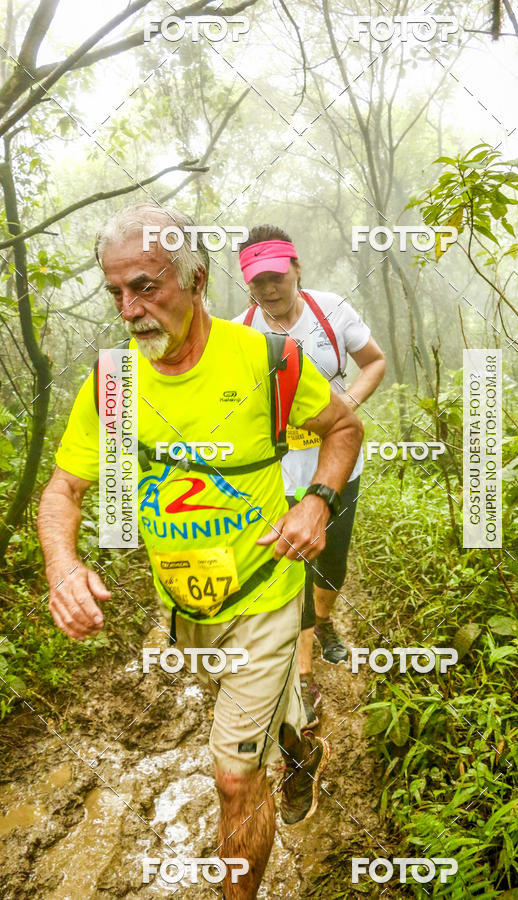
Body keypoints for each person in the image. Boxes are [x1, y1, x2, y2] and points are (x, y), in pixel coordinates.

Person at [37, 203, 363, 900]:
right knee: (265, 727)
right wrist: (63, 566)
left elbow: (343, 428)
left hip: (267, 598)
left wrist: (317, 502)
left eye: (147, 286)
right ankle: (302, 744)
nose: (130, 309)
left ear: (198, 279)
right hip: (186, 607)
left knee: (234, 776)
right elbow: (65, 488)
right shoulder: (114, 384)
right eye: (116, 293)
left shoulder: (267, 360)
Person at [233, 226, 386, 728]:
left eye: (277, 276)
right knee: (291, 566)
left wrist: (345, 409)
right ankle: (301, 676)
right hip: (277, 473)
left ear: (297, 269)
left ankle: (322, 622)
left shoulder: (332, 312)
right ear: (247, 284)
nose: (269, 288)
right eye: (258, 281)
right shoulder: (241, 334)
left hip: (339, 465)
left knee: (331, 564)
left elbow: (375, 361)